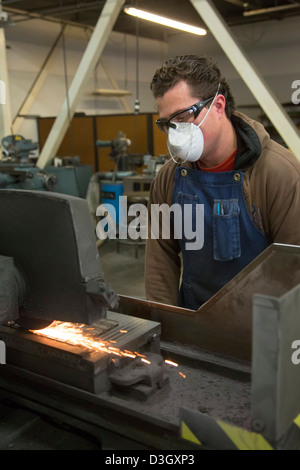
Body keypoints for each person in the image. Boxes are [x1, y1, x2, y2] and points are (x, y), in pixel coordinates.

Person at [145, 54, 300, 310]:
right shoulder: (168, 179)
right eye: (167, 123)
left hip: (261, 330)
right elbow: (160, 260)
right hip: (194, 327)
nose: (175, 134)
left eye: (183, 117)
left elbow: (293, 274)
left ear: (218, 106)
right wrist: (166, 328)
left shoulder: (280, 175)